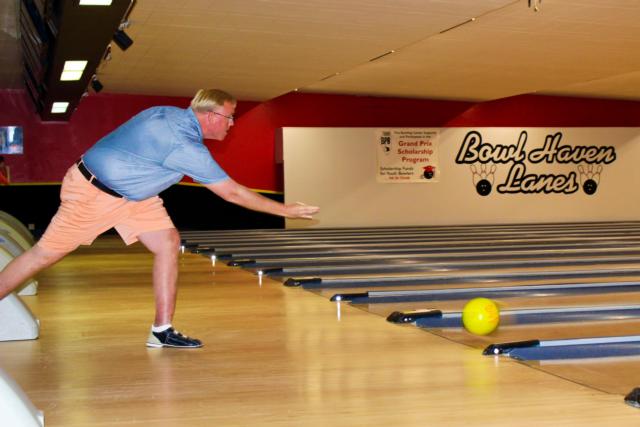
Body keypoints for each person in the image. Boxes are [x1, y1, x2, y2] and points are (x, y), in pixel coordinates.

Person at [0, 89, 319, 349]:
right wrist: (285, 210)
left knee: (168, 242)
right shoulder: (185, 146)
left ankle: (161, 330)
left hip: (134, 195)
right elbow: (232, 194)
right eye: (229, 117)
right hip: (93, 194)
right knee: (43, 255)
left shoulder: (163, 112)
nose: (231, 123)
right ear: (210, 116)